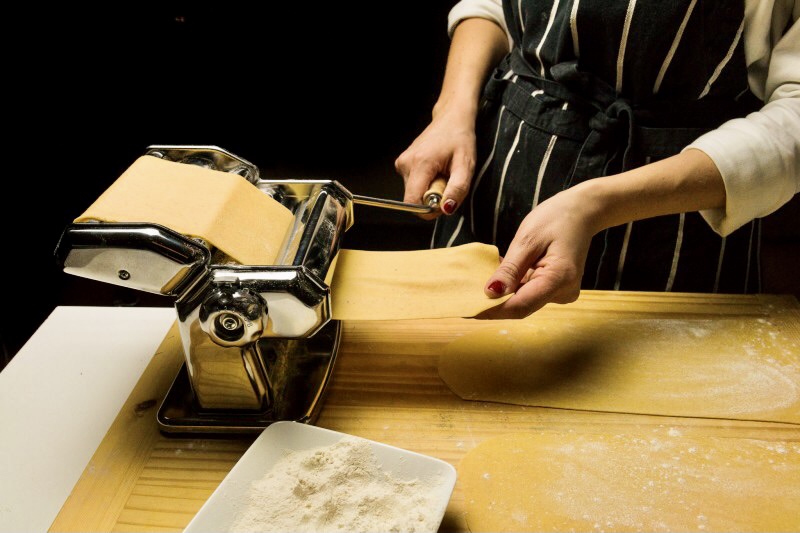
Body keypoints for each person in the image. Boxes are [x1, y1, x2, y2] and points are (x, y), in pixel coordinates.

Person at [395, 0, 799, 319]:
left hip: (672, 230)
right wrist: (452, 110)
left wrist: (596, 204)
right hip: (497, 181)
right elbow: (494, 6)